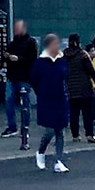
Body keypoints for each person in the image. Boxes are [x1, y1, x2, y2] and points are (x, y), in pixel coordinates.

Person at [29, 33, 70, 172]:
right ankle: (41, 152)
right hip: (46, 100)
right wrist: (41, 93)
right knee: (50, 130)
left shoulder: (62, 60)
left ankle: (58, 160)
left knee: (60, 130)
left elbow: (66, 76)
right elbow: (34, 80)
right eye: (54, 43)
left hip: (61, 99)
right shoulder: (40, 62)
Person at [2, 20, 38, 146]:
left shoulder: (30, 42)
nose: (16, 31)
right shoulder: (13, 43)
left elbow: (32, 59)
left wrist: (18, 59)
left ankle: (25, 126)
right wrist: (6, 56)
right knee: (8, 101)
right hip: (12, 77)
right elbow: (5, 56)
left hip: (25, 77)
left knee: (25, 103)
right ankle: (12, 126)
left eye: (18, 28)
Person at [64, 34, 95, 142]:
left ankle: (75, 135)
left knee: (73, 114)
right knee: (87, 113)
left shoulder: (64, 56)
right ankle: (89, 135)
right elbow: (91, 71)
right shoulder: (83, 55)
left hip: (71, 89)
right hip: (85, 89)